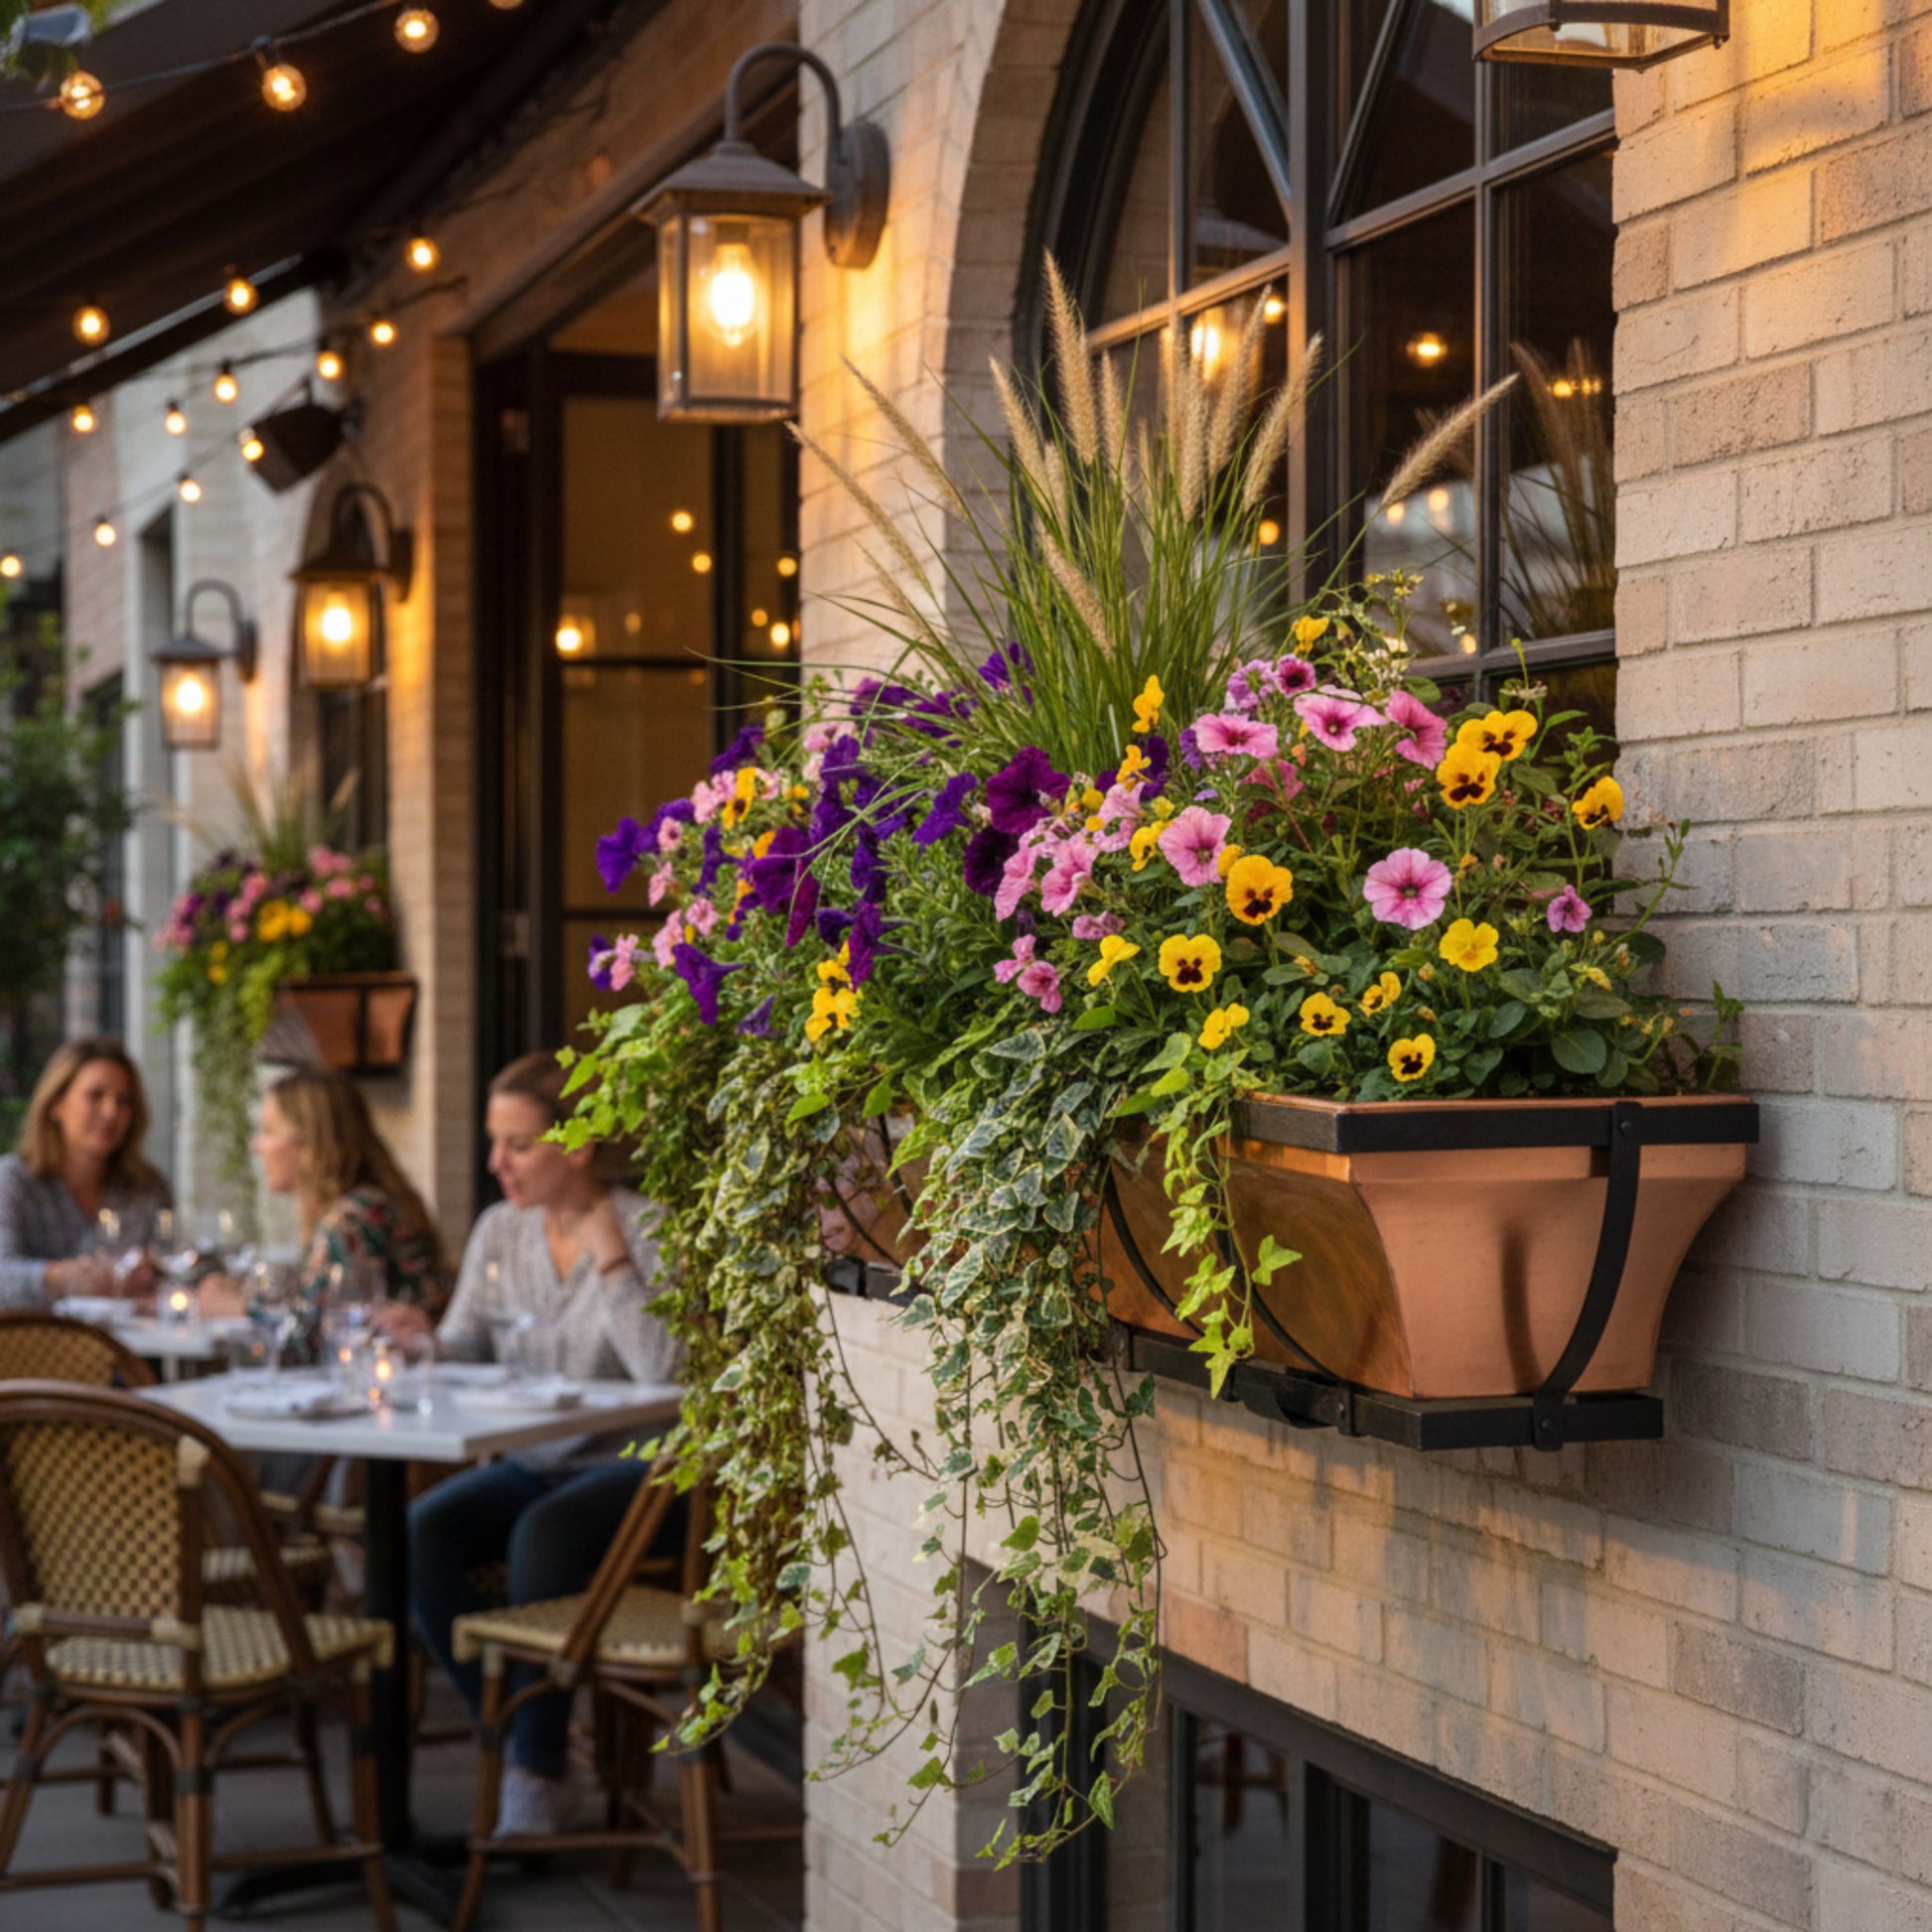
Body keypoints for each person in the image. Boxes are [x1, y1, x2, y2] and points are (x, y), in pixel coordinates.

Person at [386, 1051, 679, 1837]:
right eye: (495, 1142)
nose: (497, 1163)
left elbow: (665, 1371)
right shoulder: (500, 1231)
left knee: (539, 1534)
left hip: (637, 1469)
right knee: (423, 1530)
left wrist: (611, 1257)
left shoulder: (645, 1226)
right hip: (535, 1457)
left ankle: (537, 1771)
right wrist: (419, 1342)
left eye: (517, 1144)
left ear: (577, 1145)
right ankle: (515, 1731)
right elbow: (462, 1346)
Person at [251, 1066, 447, 1334]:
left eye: (268, 1131)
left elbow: (314, 1336)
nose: (257, 1146)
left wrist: (242, 1308)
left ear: (308, 1143)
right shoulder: (367, 1204)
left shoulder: (353, 1218)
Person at [0, 1037, 168, 1310]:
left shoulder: (147, 1187)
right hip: (32, 1336)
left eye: (124, 1101)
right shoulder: (13, 1180)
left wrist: (155, 1273)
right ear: (56, 1103)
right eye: (96, 1096)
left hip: (127, 1337)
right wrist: (59, 1277)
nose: (111, 1112)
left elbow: (174, 1269)